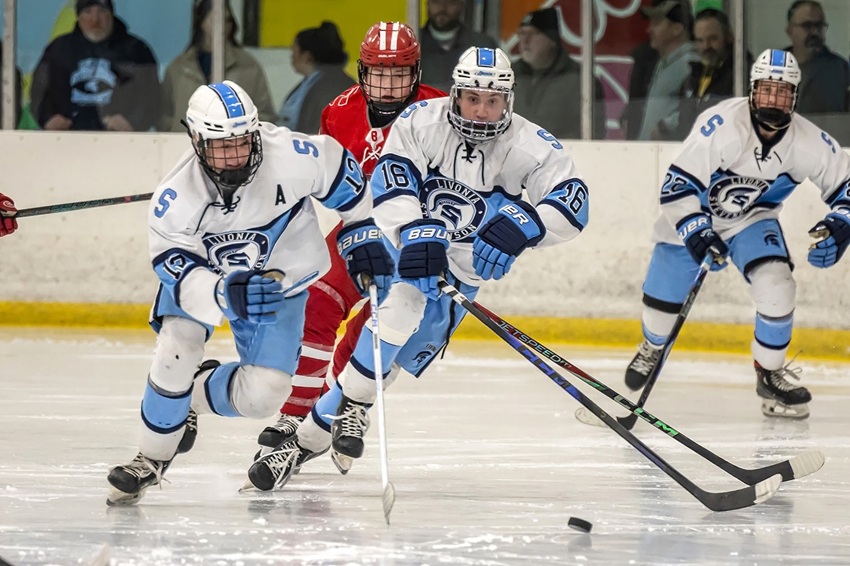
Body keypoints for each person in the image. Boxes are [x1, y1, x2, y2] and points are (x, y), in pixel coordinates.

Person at [247, 47, 591, 491]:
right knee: (400, 307)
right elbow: (392, 179)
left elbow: (573, 198)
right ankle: (324, 427)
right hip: (407, 246)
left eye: (493, 101)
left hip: (464, 269)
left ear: (510, 99)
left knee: (388, 362)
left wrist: (527, 224)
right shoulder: (421, 121)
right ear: (455, 95)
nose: (482, 111)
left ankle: (320, 429)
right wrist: (414, 230)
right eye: (471, 99)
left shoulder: (530, 144)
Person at [105, 80, 394, 505]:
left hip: (283, 283)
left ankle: (197, 393)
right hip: (210, 279)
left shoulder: (295, 156)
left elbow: (346, 181)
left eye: (242, 142)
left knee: (264, 396)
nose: (234, 155)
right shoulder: (176, 196)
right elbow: (175, 268)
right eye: (220, 146)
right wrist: (223, 292)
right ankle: (151, 457)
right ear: (196, 139)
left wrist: (362, 235)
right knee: (176, 349)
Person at [253, 21, 446, 464]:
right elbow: (326, 177)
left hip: (418, 238)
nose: (389, 84)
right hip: (360, 231)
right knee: (318, 300)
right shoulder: (338, 113)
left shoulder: (440, 109)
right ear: (361, 71)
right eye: (379, 73)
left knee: (379, 324)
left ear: (415, 73)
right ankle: (295, 411)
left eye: (399, 73)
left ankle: (341, 402)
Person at [624, 49, 850, 419]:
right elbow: (677, 186)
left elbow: (847, 185)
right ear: (752, 90)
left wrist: (843, 225)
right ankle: (652, 344)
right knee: (660, 310)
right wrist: (697, 232)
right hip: (694, 215)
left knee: (778, 285)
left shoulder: (809, 141)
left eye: (782, 92)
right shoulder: (723, 126)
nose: (773, 100)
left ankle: (770, 374)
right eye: (766, 90)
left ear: (795, 96)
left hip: (752, 219)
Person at [30, 0, 160, 132]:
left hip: (121, 141)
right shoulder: (59, 50)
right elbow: (39, 91)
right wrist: (48, 118)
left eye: (101, 11)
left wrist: (133, 122)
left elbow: (151, 95)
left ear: (111, 14)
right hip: (67, 140)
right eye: (88, 12)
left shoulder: (136, 51)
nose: (95, 19)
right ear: (78, 17)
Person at [158, 0, 276, 132]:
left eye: (227, 20)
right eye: (215, 19)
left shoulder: (248, 66)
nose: (222, 26)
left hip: (234, 148)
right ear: (201, 22)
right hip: (182, 146)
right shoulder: (178, 68)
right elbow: (164, 116)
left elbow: (265, 115)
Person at [513, 6, 606, 140]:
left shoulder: (580, 81)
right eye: (521, 34)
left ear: (552, 39)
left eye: (532, 34)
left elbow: (594, 134)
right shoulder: (507, 76)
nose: (524, 41)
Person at [675, 9, 751, 139]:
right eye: (700, 40)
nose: (706, 46)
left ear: (729, 37)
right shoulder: (692, 78)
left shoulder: (743, 75)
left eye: (713, 39)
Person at [638, 0, 699, 140]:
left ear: (677, 29)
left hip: (669, 152)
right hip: (652, 153)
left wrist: (666, 126)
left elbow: (697, 106)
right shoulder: (664, 63)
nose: (649, 29)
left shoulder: (690, 63)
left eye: (657, 23)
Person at [279, 21, 354, 134]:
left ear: (306, 57)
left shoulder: (332, 88)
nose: (291, 57)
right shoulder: (312, 82)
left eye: (294, 51)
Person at [784, 1, 850, 114]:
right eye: (807, 26)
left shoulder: (840, 69)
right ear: (790, 30)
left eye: (819, 26)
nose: (814, 32)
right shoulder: (773, 67)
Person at [419, 0, 498, 93]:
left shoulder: (483, 46)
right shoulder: (412, 44)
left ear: (462, 5)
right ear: (427, 4)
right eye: (436, 2)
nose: (442, 8)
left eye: (451, 2)